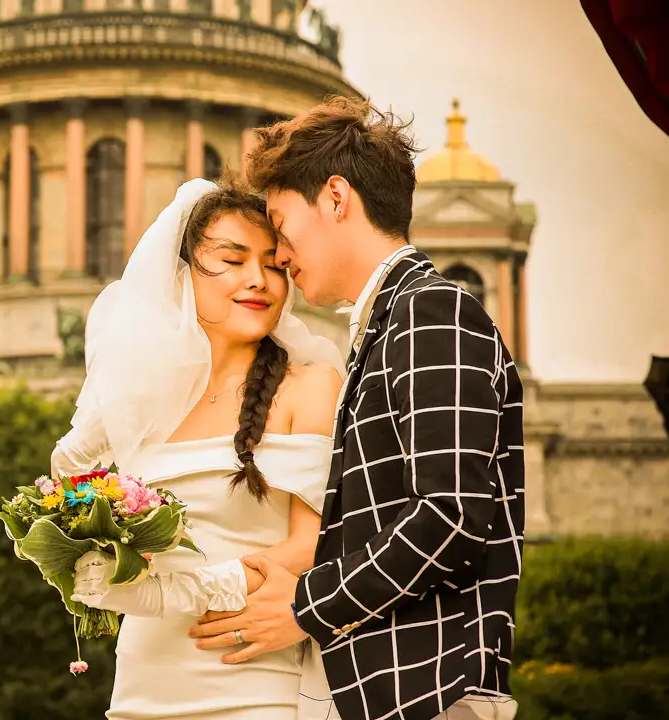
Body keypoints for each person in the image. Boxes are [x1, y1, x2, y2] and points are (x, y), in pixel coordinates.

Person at [190, 97, 526, 720]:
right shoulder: (389, 325)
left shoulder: (434, 311)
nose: (280, 255)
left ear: (337, 198)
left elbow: (450, 518)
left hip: (426, 694)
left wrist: (305, 607)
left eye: (283, 225)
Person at [50, 177, 345, 719]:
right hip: (142, 685)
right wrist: (83, 554)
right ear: (184, 274)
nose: (259, 280)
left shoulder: (312, 386)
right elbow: (72, 489)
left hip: (253, 682)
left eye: (275, 264)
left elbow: (316, 545)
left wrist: (174, 594)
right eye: (232, 260)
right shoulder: (147, 399)